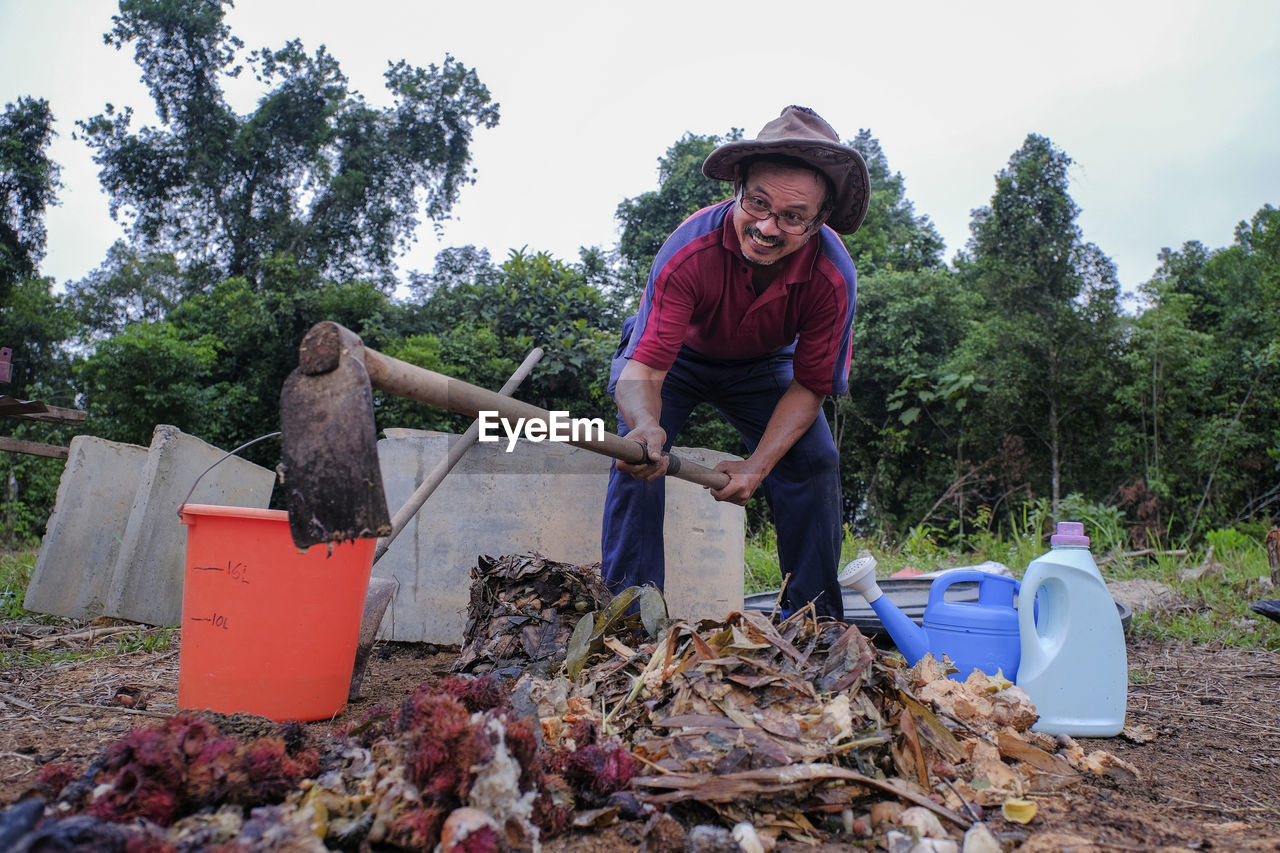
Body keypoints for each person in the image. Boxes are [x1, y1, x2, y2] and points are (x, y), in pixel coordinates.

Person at [600, 105, 870, 621]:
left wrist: (757, 466)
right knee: (635, 457)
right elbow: (646, 369)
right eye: (758, 204)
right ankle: (631, 625)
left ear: (819, 222)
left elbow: (811, 385)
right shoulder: (688, 251)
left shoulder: (833, 277)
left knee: (813, 460)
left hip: (762, 364)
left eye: (793, 217)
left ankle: (811, 626)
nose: (768, 228)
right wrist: (647, 424)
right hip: (673, 361)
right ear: (738, 187)